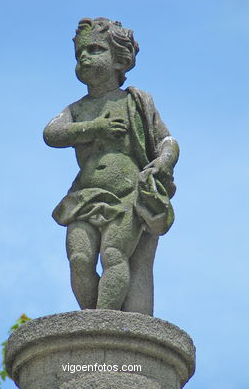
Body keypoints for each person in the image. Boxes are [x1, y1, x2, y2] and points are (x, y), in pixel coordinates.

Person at [43, 17, 179, 314]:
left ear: (120, 59)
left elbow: (166, 140)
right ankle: (92, 320)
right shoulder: (78, 109)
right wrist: (95, 128)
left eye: (93, 50)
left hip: (127, 197)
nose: (84, 58)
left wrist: (162, 163)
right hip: (84, 195)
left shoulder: (135, 101)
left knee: (113, 255)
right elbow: (51, 134)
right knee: (79, 258)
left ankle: (105, 322)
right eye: (80, 53)